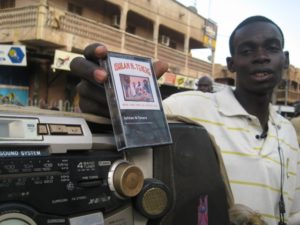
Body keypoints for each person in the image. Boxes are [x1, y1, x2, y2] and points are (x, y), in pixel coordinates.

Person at [70, 16, 300, 225]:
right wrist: (107, 102)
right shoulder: (189, 107)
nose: (261, 56)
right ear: (231, 64)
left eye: (271, 47)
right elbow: (121, 125)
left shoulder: (288, 131)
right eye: (248, 51)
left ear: (285, 59)